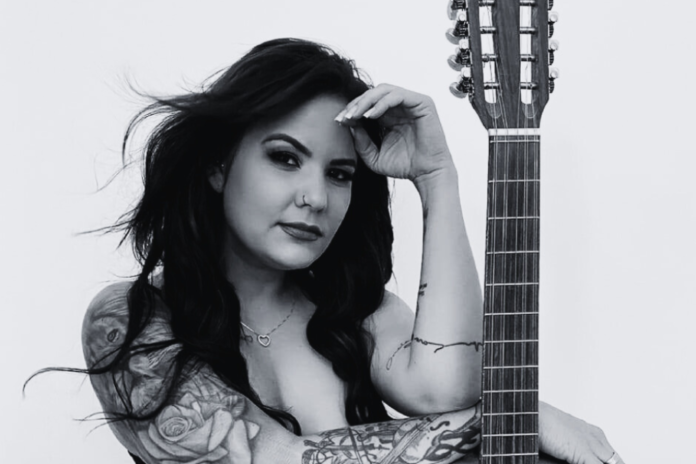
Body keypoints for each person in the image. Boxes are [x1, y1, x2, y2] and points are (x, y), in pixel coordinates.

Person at [80, 38, 624, 464]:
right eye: (285, 158)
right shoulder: (129, 320)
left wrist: (436, 177)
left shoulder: (361, 314)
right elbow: (276, 458)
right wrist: (509, 418)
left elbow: (447, 392)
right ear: (218, 166)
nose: (315, 198)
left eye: (339, 174)